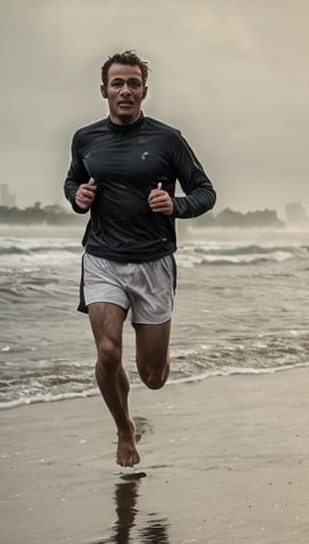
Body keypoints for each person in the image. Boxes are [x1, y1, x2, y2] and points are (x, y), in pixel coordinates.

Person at [64, 50, 216, 467]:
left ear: (144, 91)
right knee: (108, 354)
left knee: (153, 378)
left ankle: (155, 364)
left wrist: (175, 205)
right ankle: (124, 429)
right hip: (102, 259)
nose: (125, 91)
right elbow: (74, 179)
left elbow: (205, 192)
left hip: (154, 264)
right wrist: (77, 198)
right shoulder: (85, 139)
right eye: (118, 84)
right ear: (104, 91)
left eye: (133, 83)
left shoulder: (167, 139)